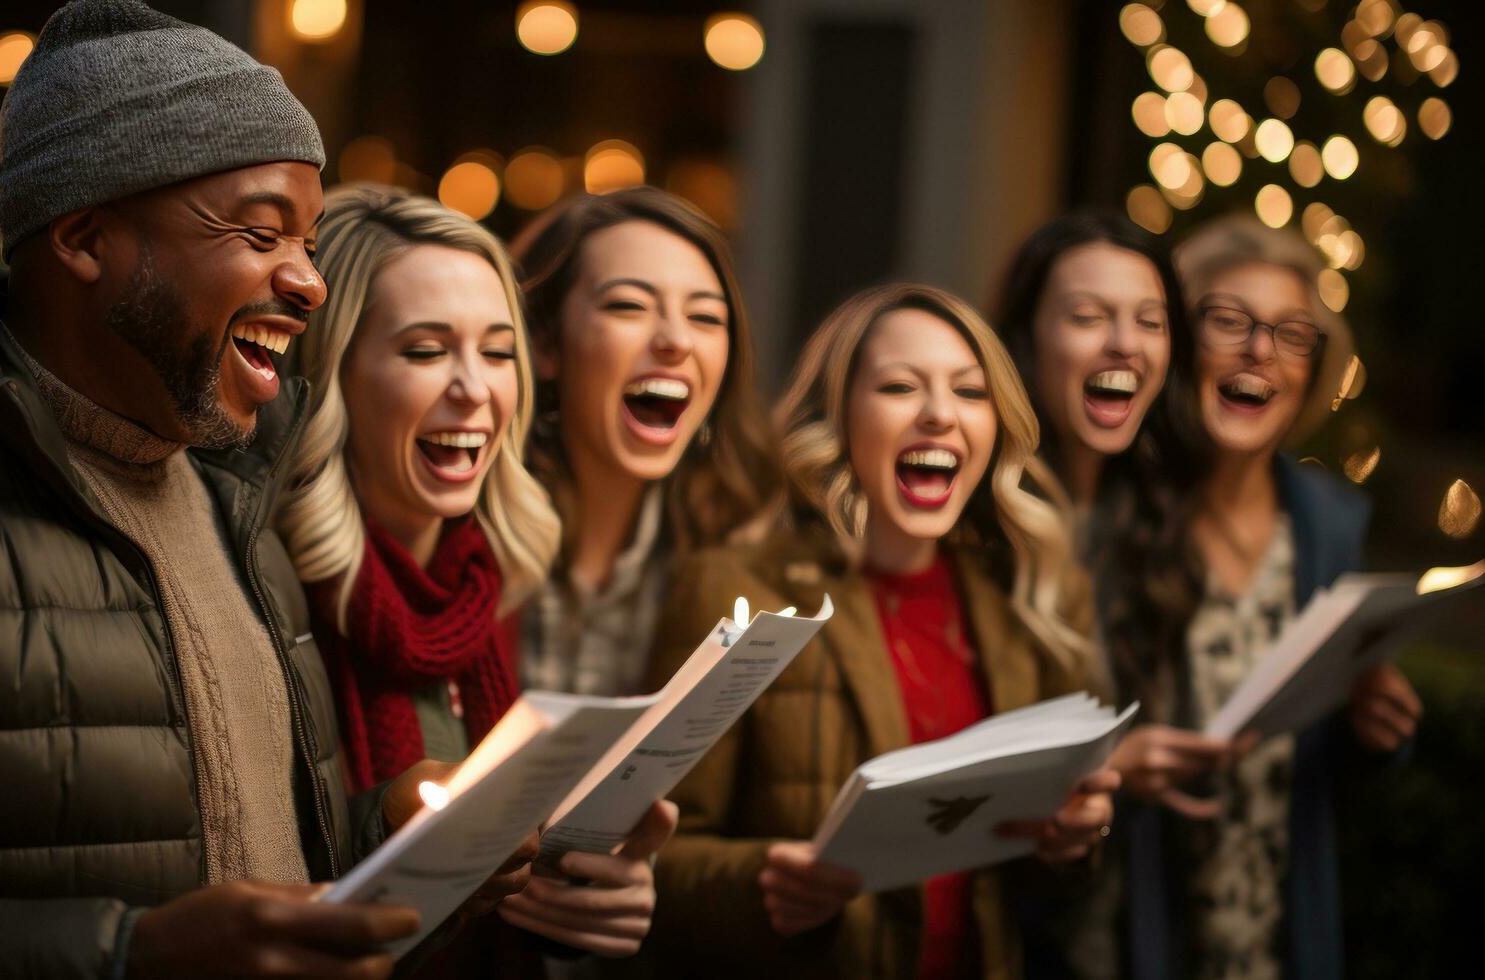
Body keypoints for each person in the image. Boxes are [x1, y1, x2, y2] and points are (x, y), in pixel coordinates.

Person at [0, 3, 522, 977]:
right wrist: (131, 955)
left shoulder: (237, 498)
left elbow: (242, 859)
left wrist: (389, 834)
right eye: (262, 232)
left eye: (310, 241)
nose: (309, 282)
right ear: (85, 238)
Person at [638, 282, 1118, 977]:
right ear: (840, 415)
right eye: (899, 387)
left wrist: (1071, 840)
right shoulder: (734, 586)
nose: (939, 415)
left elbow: (1039, 886)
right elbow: (650, 849)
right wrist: (758, 884)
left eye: (969, 392)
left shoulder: (1019, 604)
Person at [276, 186, 673, 968]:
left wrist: (586, 889)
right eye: (425, 351)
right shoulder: (271, 594)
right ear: (334, 375)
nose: (475, 389)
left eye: (496, 352)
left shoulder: (495, 585)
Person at [1115, 214, 1422, 980]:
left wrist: (1370, 727)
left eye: (1292, 334)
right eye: (1228, 321)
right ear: (1176, 344)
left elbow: (1330, 770)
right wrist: (1113, 771)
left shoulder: (1327, 525)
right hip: (1135, 936)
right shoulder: (1116, 517)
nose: (1260, 351)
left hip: (1274, 943)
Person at [992, 212, 1218, 977]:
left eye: (1149, 322)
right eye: (1088, 317)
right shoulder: (972, 519)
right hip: (997, 931)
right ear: (1026, 341)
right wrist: (1113, 763)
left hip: (1126, 928)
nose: (1124, 342)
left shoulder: (1157, 513)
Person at [507, 187, 779, 701]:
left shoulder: (750, 559)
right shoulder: (468, 542)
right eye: (629, 306)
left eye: (705, 317)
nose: (676, 340)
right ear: (544, 344)